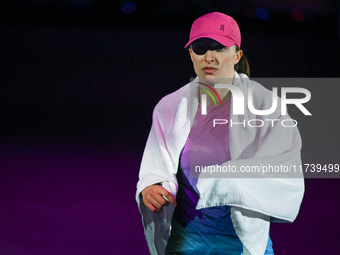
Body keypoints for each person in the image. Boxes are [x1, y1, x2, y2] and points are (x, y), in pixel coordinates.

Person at [136, 12, 304, 255]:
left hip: (243, 242)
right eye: (201, 47)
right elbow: (156, 166)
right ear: (191, 53)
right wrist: (151, 186)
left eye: (220, 48)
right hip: (187, 240)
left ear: (237, 55)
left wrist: (226, 178)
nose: (210, 57)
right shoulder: (170, 107)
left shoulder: (267, 105)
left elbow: (285, 171)